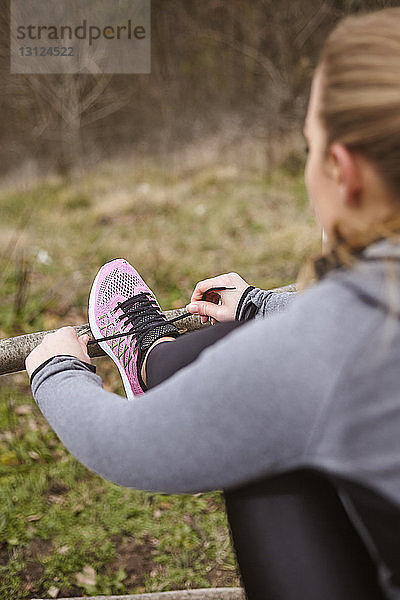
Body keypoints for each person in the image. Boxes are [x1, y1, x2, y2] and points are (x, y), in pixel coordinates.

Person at [25, 6, 400, 600]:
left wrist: (56, 370)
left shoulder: (341, 337)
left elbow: (127, 445)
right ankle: (156, 359)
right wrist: (255, 304)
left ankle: (151, 360)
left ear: (343, 170)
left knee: (261, 450)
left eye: (309, 146)